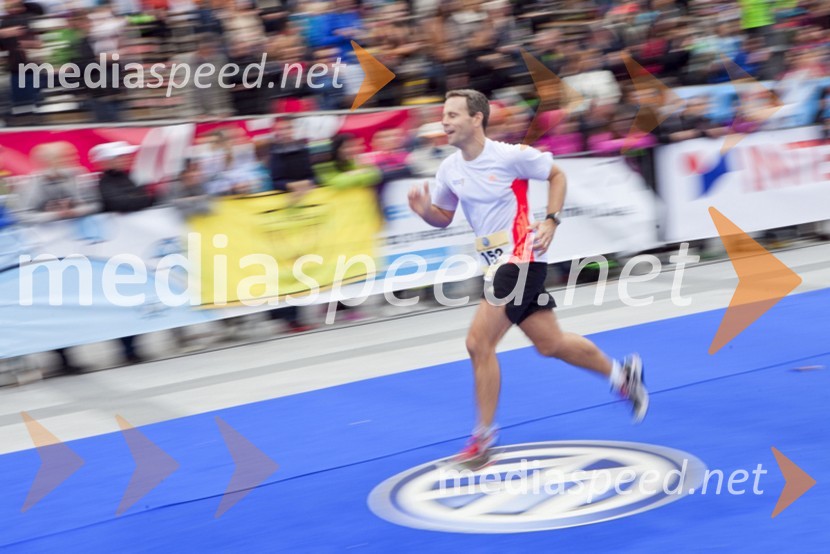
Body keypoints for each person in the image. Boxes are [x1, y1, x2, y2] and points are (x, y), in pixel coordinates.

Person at [407, 89, 649, 469]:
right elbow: (444, 216)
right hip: (497, 264)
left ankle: (483, 440)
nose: (445, 122)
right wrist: (425, 212)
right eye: (444, 114)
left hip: (521, 258)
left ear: (476, 119)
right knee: (550, 344)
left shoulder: (510, 156)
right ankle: (623, 376)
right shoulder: (449, 169)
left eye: (453, 115)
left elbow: (556, 174)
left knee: (477, 343)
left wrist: (551, 219)